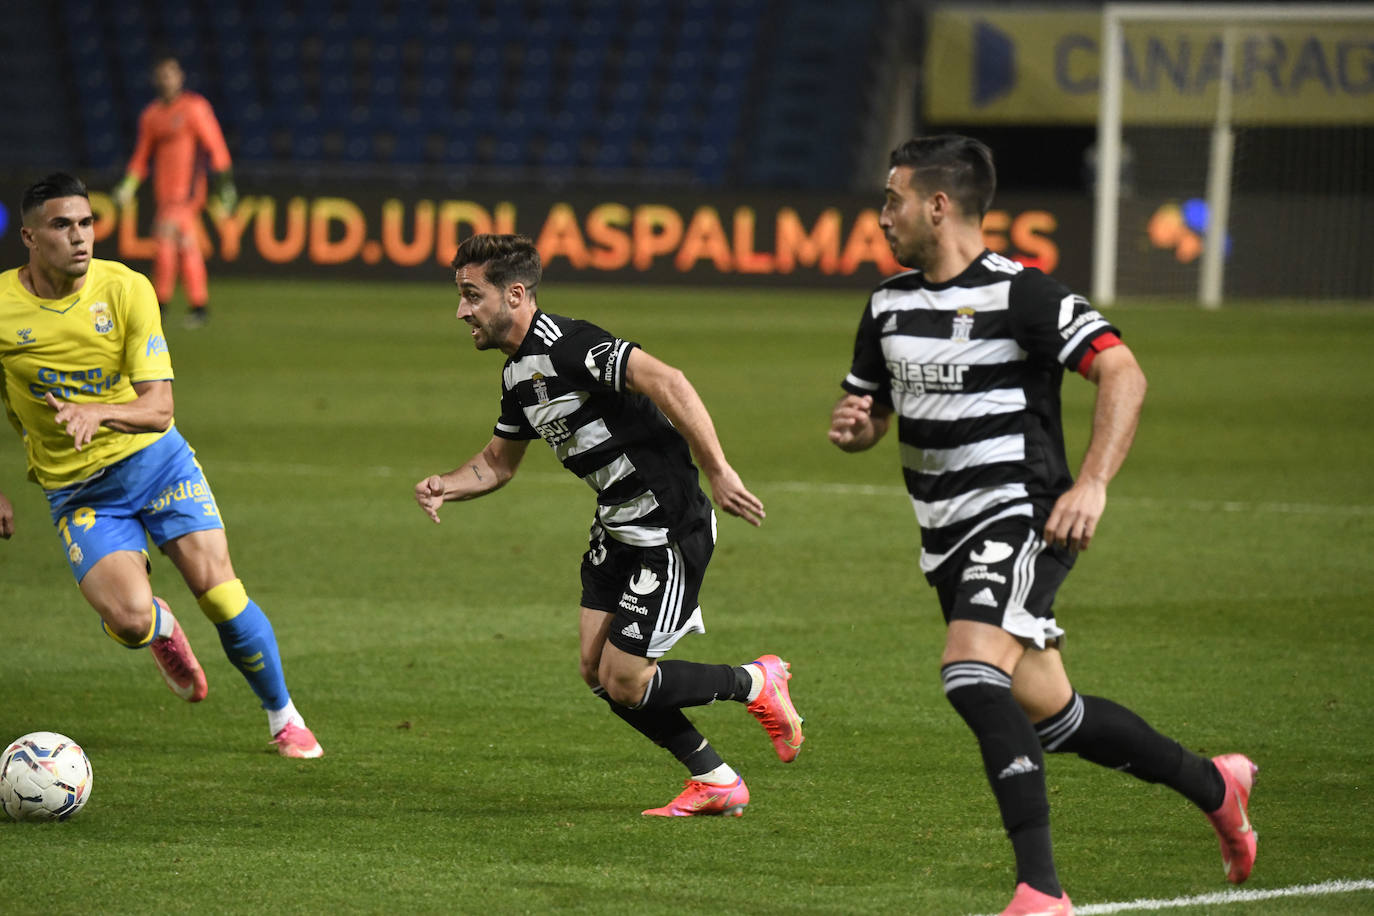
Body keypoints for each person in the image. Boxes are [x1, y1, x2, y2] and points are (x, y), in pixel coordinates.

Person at [827, 136, 1255, 915]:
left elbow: (1123, 371)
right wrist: (860, 427)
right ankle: (1215, 785)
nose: (882, 215)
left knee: (969, 673)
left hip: (1023, 516)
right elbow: (874, 412)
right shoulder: (887, 303)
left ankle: (1041, 890)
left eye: (892, 199)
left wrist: (1091, 484)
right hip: (943, 535)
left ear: (938, 205)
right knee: (1055, 717)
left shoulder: (1023, 294)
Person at [414, 233, 803, 816]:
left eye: (472, 295)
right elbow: (497, 464)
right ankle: (716, 779)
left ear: (515, 294)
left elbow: (668, 380)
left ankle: (755, 682)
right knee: (596, 672)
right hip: (616, 526)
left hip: (666, 526)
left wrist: (717, 471)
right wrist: (448, 483)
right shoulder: (519, 376)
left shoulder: (570, 345)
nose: (462, 311)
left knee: (626, 679)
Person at [0, 173, 320, 759]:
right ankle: (160, 630)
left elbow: (159, 407)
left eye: (86, 223)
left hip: (156, 464)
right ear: (28, 236)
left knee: (221, 596)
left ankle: (285, 718)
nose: (80, 237)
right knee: (128, 620)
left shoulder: (126, 289)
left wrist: (97, 413)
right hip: (76, 488)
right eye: (61, 225)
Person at [112, 55, 236, 329]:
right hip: (164, 194)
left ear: (181, 77)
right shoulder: (152, 116)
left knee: (166, 239)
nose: (167, 80)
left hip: (187, 192)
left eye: (171, 74)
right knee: (183, 245)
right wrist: (128, 186)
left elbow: (215, 145)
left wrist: (226, 186)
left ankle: (162, 304)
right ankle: (197, 306)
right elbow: (141, 156)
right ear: (156, 80)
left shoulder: (194, 108)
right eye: (162, 75)